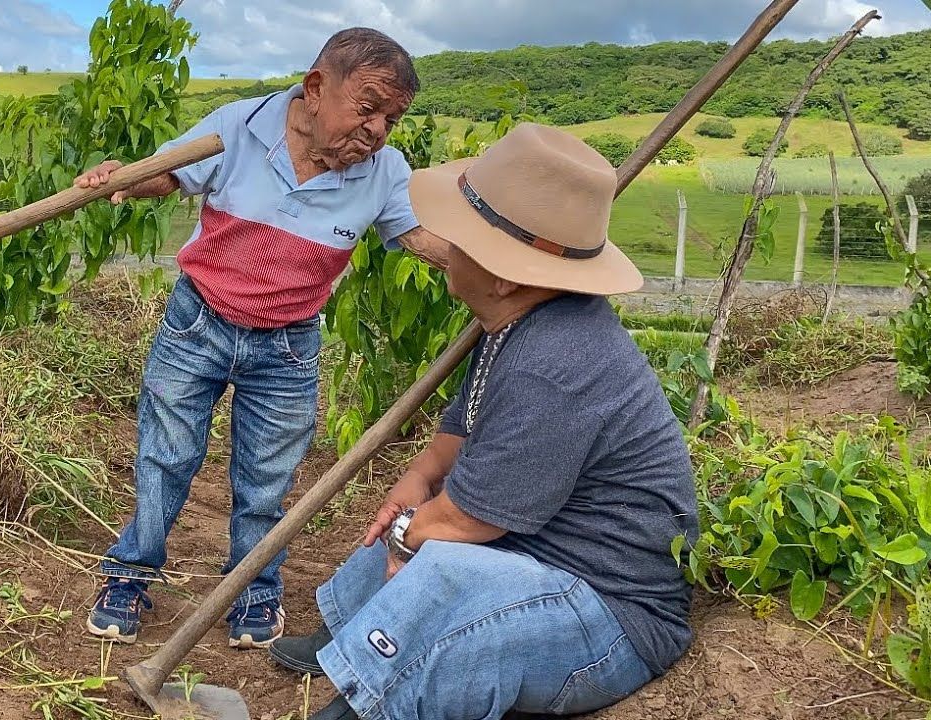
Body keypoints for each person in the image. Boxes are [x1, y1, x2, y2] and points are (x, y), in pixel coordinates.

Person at [268, 123, 700, 720]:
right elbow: (458, 435)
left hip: (607, 609)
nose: (444, 243)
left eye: (463, 238)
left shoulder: (553, 365)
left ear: (502, 274)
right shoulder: (514, 325)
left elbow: (467, 519)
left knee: (441, 564)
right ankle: (351, 639)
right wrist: (419, 476)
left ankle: (369, 691)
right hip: (539, 549)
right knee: (418, 525)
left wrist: (409, 536)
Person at [73, 27, 450, 649]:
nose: (378, 130)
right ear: (315, 88)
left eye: (392, 118)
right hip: (199, 323)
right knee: (165, 457)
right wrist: (122, 179)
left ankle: (253, 587)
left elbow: (415, 237)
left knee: (266, 482)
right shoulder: (238, 126)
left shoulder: (384, 172)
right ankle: (130, 573)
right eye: (367, 108)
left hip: (287, 345)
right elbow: (168, 175)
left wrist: (499, 265)